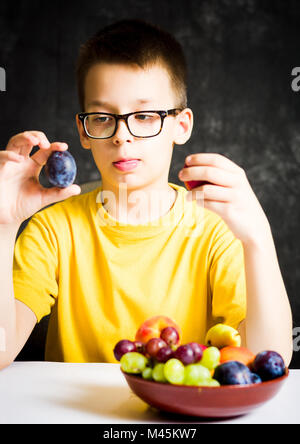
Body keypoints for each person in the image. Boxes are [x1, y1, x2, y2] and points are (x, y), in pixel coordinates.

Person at [0, 19, 293, 368]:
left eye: (143, 116)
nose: (121, 136)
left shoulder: (216, 231)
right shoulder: (52, 230)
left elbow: (270, 359)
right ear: (83, 130)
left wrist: (258, 238)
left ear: (180, 126)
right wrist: (3, 225)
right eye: (103, 117)